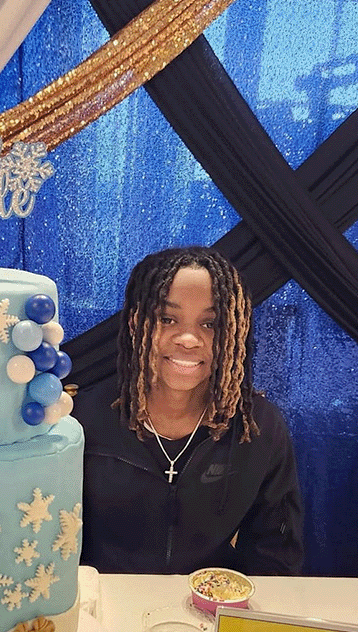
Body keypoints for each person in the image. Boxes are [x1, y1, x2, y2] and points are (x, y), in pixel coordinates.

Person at [73, 246, 303, 575]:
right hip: (105, 605)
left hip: (208, 608)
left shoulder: (259, 428)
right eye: (168, 319)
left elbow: (276, 554)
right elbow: (54, 541)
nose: (189, 339)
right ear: (138, 323)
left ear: (233, 332)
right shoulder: (83, 420)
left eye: (210, 324)